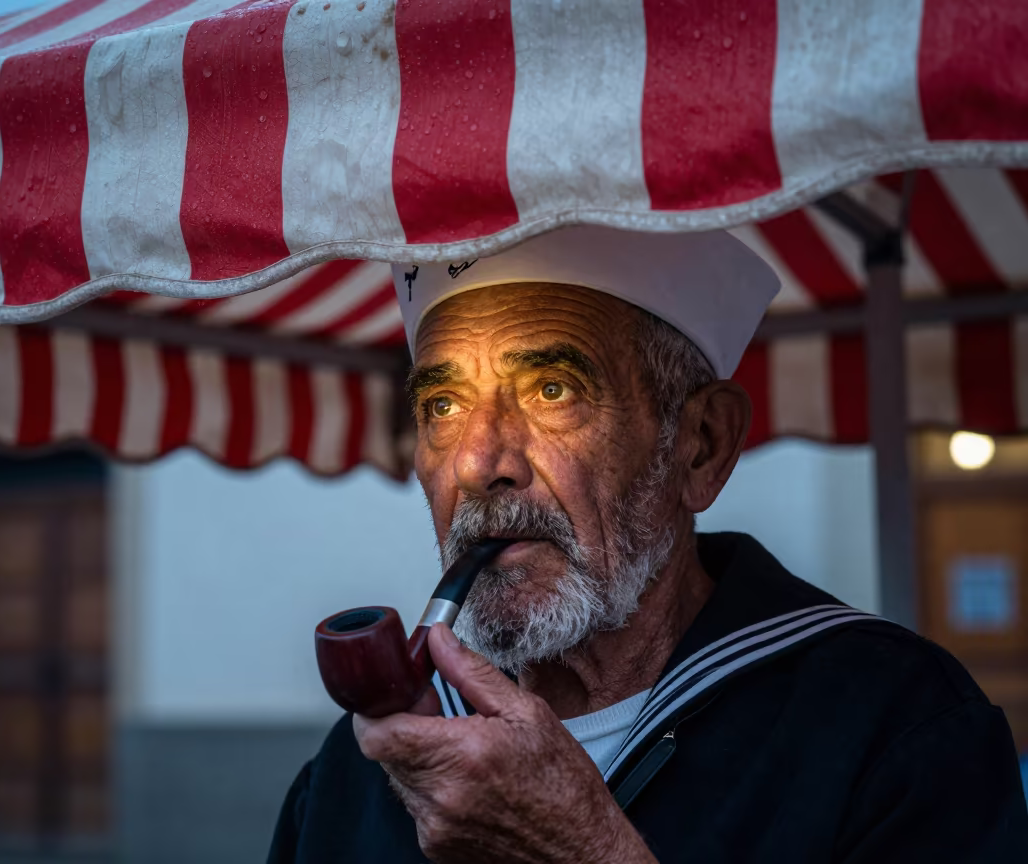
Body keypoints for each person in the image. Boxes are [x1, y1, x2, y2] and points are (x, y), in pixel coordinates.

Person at [268, 225, 1028, 863]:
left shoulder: (894, 735)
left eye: (552, 391)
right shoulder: (365, 770)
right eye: (442, 403)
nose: (477, 462)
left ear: (699, 446)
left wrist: (585, 851)